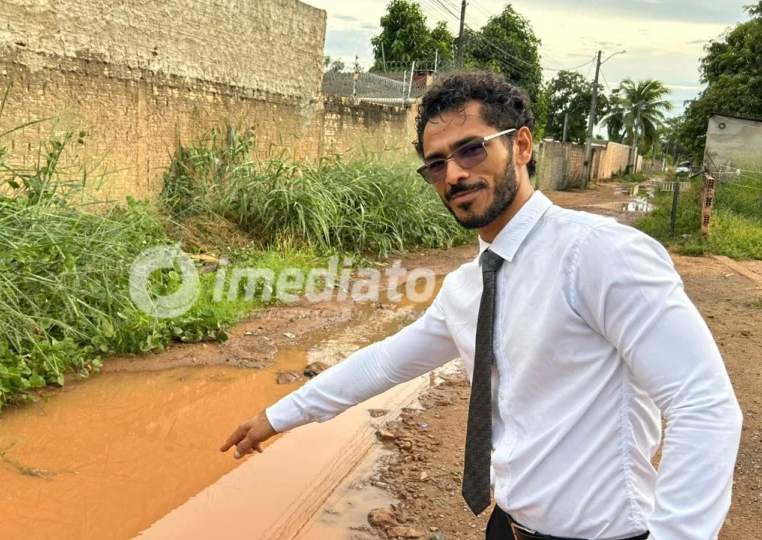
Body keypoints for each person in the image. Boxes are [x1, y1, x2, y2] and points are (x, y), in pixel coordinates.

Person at [220, 70, 742, 540]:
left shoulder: (599, 254)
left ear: (521, 146)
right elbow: (382, 361)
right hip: (507, 526)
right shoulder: (468, 288)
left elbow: (703, 405)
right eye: (436, 164)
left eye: (471, 149)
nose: (453, 175)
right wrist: (278, 414)